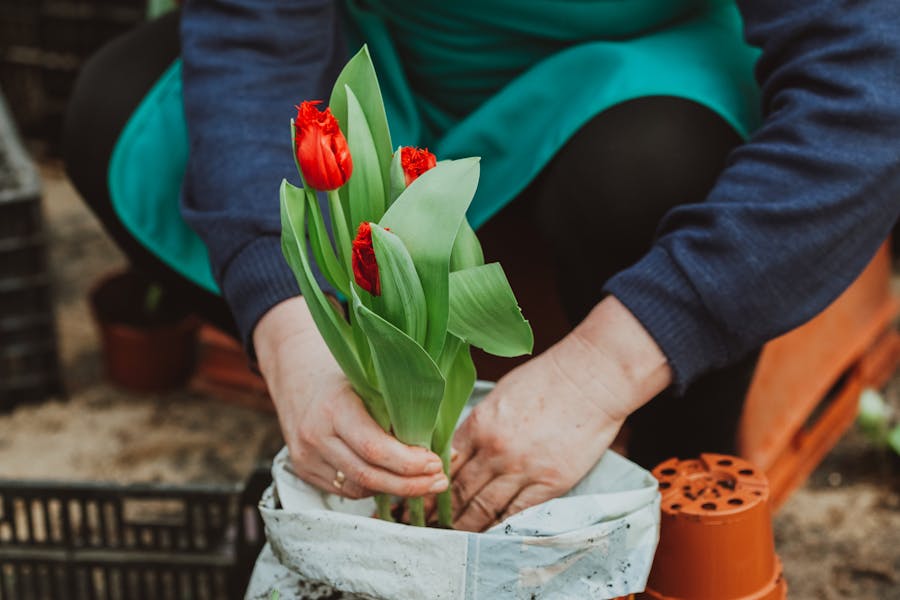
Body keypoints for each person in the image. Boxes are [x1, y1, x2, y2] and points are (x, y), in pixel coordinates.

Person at [64, 0, 900, 533]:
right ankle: (400, 444)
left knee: (647, 173)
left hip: (634, 63)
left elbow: (870, 87)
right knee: (128, 116)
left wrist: (597, 374)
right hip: (388, 65)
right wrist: (294, 336)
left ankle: (672, 492)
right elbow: (252, 41)